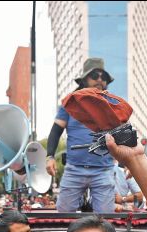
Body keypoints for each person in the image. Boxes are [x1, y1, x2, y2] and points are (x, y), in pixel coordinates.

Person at [45, 58, 117, 214]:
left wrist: (129, 163)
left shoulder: (112, 104)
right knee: (64, 215)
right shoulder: (71, 102)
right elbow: (56, 130)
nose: (99, 80)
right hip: (74, 168)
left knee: (105, 219)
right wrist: (50, 156)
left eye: (103, 77)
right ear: (85, 79)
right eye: (95, 76)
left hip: (103, 170)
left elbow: (122, 134)